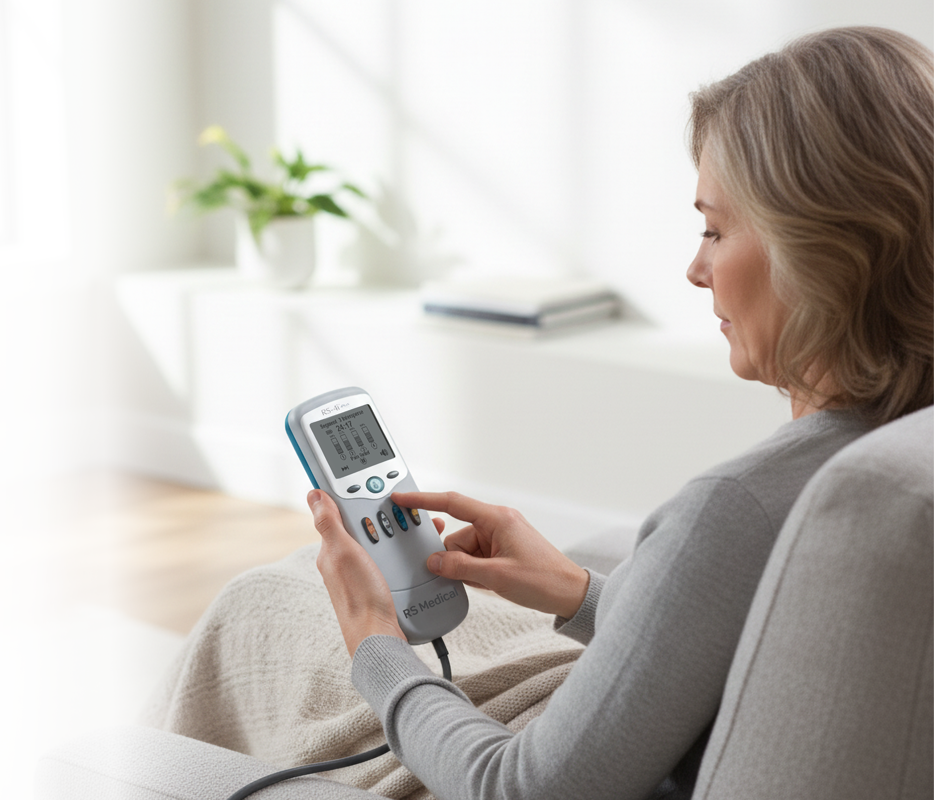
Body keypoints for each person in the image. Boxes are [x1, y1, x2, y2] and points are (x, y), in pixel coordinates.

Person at [147, 26, 932, 800]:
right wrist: (576, 589)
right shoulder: (892, 453)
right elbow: (749, 635)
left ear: (823, 249)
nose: (695, 270)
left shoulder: (736, 509)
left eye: (714, 228)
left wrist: (377, 652)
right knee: (289, 588)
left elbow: (518, 788)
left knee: (262, 604)